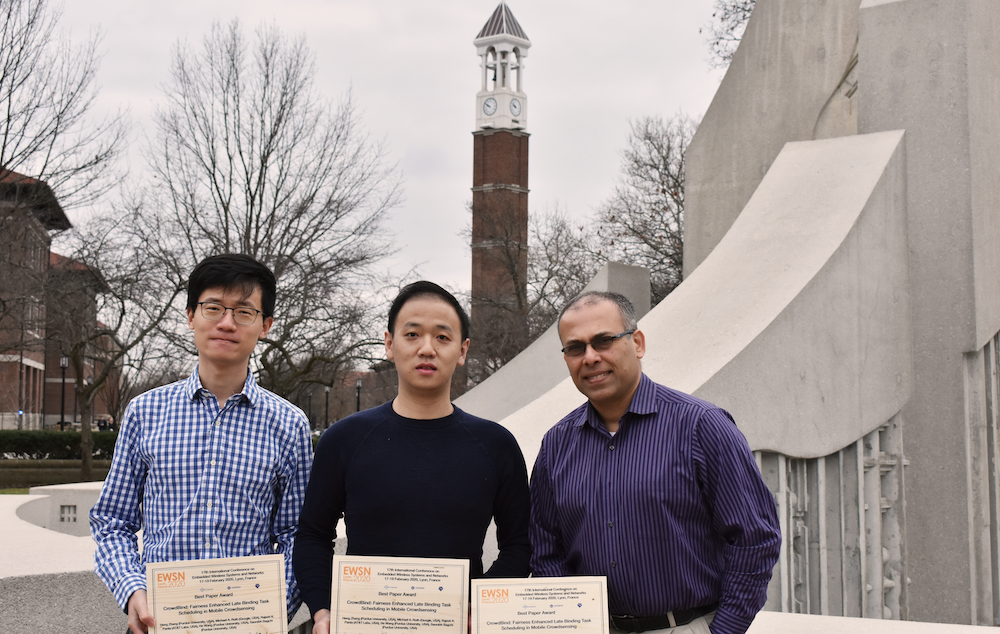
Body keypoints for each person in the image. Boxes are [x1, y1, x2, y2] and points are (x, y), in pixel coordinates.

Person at [529, 291, 781, 634]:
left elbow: (754, 538)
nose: (589, 357)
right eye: (575, 348)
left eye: (604, 340)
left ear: (638, 343)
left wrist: (724, 630)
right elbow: (546, 549)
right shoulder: (557, 444)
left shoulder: (701, 426)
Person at [90, 254, 313, 634]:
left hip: (251, 622)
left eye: (244, 312)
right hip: (158, 621)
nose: (226, 323)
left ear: (266, 325)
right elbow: (113, 521)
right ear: (191, 315)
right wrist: (132, 590)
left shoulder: (289, 424)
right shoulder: (146, 412)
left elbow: (297, 533)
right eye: (213, 308)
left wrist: (274, 606)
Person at [294, 280, 531, 634]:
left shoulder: (495, 444)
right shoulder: (344, 439)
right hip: (363, 625)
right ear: (390, 344)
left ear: (463, 350)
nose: (426, 348)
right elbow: (313, 534)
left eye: (442, 337)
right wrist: (323, 607)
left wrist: (479, 606)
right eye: (412, 335)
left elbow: (520, 544)